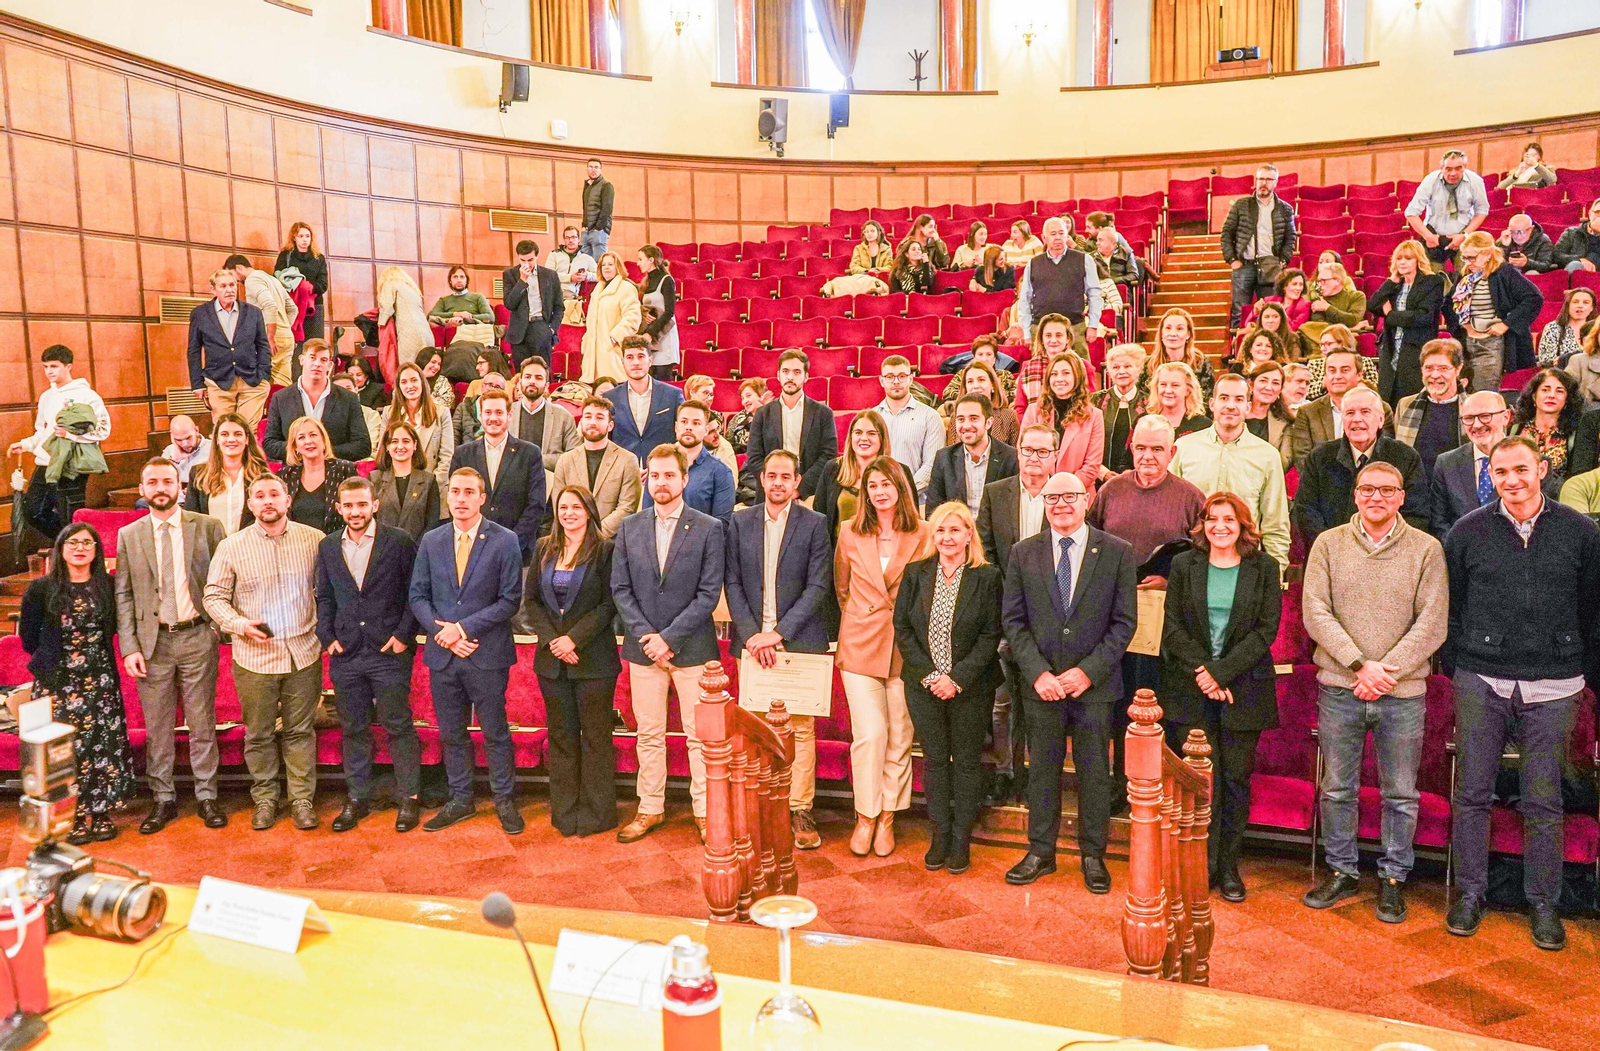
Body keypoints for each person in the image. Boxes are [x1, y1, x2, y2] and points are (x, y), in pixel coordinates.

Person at [1444, 435, 1600, 952]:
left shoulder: (1582, 532)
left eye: (1521, 470)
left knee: (1543, 798)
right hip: (1482, 678)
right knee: (1472, 792)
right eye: (1501, 471)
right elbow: (1454, 607)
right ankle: (1468, 893)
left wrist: (1581, 667)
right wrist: (1463, 664)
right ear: (1490, 475)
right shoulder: (1467, 532)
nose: (1511, 480)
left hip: (1556, 683)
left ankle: (1544, 903)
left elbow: (1592, 610)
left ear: (1543, 469)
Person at [1300, 460, 1448, 920]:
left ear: (1402, 496)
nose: (1377, 497)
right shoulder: (1328, 544)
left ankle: (1392, 878)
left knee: (1400, 793)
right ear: (1356, 495)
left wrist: (1387, 672)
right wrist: (1360, 665)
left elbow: (1433, 622)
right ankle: (1342, 871)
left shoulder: (1427, 549)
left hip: (1402, 695)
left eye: (1387, 490)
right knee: (1337, 789)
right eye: (1368, 489)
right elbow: (1315, 612)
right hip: (1341, 687)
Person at [1001, 470, 1137, 890]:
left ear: (1086, 499)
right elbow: (1013, 622)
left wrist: (1087, 672)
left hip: (1094, 687)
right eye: (1052, 497)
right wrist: (1038, 673)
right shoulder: (1023, 553)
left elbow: (1124, 623)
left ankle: (1093, 855)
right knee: (1042, 769)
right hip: (1040, 685)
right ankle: (1041, 851)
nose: (1060, 503)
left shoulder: (1116, 552)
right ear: (1043, 502)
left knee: (1095, 772)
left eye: (1069, 496)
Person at [1159, 492, 1281, 902]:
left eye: (1229, 519)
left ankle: (1228, 867)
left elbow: (1266, 631)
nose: (1220, 527)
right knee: (1197, 782)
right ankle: (1198, 865)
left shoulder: (1263, 567)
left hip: (1243, 690)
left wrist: (1221, 673)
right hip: (1191, 689)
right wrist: (1205, 673)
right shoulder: (1183, 565)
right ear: (1203, 525)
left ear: (1242, 525)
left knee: (1234, 780)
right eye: (1212, 519)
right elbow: (1172, 628)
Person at [612, 445, 726, 843]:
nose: (661, 483)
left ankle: (706, 813)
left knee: (699, 736)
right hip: (644, 649)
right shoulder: (630, 527)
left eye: (669, 476)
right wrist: (650, 638)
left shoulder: (710, 528)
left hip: (691, 648)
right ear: (647, 478)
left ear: (684, 479)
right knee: (649, 732)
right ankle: (650, 807)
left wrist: (669, 639)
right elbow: (621, 590)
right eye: (655, 476)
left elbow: (708, 594)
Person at [725, 450, 834, 849]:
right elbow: (732, 582)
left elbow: (818, 586)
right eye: (771, 476)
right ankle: (759, 805)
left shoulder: (815, 524)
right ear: (762, 478)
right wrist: (754, 634)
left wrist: (779, 633)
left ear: (797, 482)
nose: (777, 483)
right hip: (752, 643)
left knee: (801, 730)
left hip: (798, 642)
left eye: (785, 477)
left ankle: (799, 808)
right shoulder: (740, 522)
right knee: (754, 729)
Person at [409, 467, 527, 834]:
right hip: (444, 654)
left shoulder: (505, 540)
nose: (461, 498)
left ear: (482, 498)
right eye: (455, 491)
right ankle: (460, 799)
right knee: (451, 732)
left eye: (469, 492)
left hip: (486, 652)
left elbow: (510, 599)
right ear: (448, 497)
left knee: (495, 731)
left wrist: (462, 629)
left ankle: (504, 799)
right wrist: (442, 633)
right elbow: (417, 595)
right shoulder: (431, 540)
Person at [115, 457, 229, 835]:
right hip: (153, 643)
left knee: (202, 723)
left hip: (198, 635)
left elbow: (223, 581)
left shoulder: (208, 527)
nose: (160, 488)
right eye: (153, 482)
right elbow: (125, 594)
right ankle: (163, 799)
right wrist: (130, 646)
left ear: (180, 488)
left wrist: (214, 627)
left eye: (168, 481)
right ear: (142, 490)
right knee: (158, 728)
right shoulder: (129, 535)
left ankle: (207, 795)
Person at [203, 474, 323, 832]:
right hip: (255, 657)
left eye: (274, 494)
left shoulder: (313, 540)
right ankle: (266, 799)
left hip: (303, 652)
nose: (268, 500)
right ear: (250, 504)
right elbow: (213, 596)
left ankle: (302, 799)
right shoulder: (232, 546)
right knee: (258, 733)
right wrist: (239, 625)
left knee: (301, 731)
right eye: (260, 496)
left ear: (288, 500)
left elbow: (329, 591)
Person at [893, 501, 1002, 874]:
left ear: (970, 534)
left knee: (967, 761)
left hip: (970, 687)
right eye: (940, 530)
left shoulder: (987, 577)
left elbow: (991, 635)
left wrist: (955, 679)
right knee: (936, 761)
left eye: (955, 530)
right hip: (923, 685)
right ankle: (939, 834)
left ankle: (961, 838)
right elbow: (903, 629)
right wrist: (930, 676)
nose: (947, 537)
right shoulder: (916, 573)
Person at [835, 458, 933, 858]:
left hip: (906, 648)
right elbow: (842, 589)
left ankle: (889, 817)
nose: (878, 491)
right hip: (860, 642)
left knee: (899, 737)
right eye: (871, 485)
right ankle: (865, 815)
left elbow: (928, 592)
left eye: (886, 484)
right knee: (870, 734)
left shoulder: (924, 533)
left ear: (901, 488)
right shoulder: (848, 532)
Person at [315, 477, 422, 833]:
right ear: (339, 508)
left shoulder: (401, 541)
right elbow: (325, 596)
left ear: (374, 505)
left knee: (397, 724)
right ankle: (357, 797)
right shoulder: (329, 546)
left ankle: (409, 798)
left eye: (362, 504)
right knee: (353, 728)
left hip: (389, 650)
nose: (355, 511)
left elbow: (415, 593)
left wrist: (404, 635)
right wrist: (327, 636)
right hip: (346, 652)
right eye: (348, 505)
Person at [20, 524, 134, 845]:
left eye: (87, 542)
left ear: (97, 551)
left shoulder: (108, 587)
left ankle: (100, 814)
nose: (80, 548)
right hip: (58, 682)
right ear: (61, 549)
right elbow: (28, 638)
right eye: (73, 543)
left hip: (99, 681)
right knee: (65, 752)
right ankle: (70, 816)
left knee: (102, 745)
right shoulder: (41, 589)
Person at [523, 485, 620, 837]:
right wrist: (554, 641)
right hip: (552, 663)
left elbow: (610, 604)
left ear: (589, 512)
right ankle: (564, 812)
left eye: (576, 507)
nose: (569, 513)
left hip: (593, 660)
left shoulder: (605, 551)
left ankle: (597, 815)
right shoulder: (544, 549)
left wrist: (574, 638)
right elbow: (531, 601)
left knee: (596, 739)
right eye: (563, 507)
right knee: (562, 738)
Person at [975, 424, 1057, 806]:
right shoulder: (996, 493)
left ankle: (1037, 778)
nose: (1034, 459)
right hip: (1005, 613)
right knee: (1002, 703)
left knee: (1040, 706)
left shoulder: (1066, 495)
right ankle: (1007, 773)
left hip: (1052, 620)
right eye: (1027, 450)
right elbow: (985, 553)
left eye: (1042, 452)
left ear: (1055, 455)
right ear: (1018, 452)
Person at [1170, 373, 1292, 568]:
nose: (1230, 405)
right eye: (1224, 398)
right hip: (1192, 559)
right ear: (1212, 404)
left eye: (1239, 399)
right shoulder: (1184, 448)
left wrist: (1277, 572)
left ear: (1248, 406)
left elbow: (1275, 522)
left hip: (1246, 560)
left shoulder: (1267, 455)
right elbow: (1171, 513)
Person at [1295, 387, 1429, 549]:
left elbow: (1416, 514)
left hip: (1391, 553)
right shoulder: (1320, 457)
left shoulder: (1405, 457)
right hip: (1332, 553)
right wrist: (1332, 547)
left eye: (1365, 412)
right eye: (1349, 413)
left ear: (1380, 420)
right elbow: (1306, 509)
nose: (1356, 419)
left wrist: (1382, 547)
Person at [7, 344, 110, 538]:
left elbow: (103, 430)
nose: (48, 372)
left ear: (68, 366)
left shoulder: (87, 395)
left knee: (70, 516)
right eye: (45, 367)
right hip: (46, 462)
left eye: (54, 366)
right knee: (32, 511)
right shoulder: (47, 396)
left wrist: (71, 436)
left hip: (72, 464)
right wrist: (26, 444)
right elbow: (42, 431)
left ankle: (75, 547)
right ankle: (68, 545)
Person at [450, 388, 547, 562]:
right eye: (487, 412)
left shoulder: (530, 453)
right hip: (473, 550)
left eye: (499, 412)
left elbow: (536, 505)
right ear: (480, 416)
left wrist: (512, 542)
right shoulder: (462, 454)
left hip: (518, 551)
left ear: (509, 416)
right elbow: (456, 500)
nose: (493, 418)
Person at [738, 349, 837, 504]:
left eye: (797, 372)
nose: (790, 377)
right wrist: (775, 488)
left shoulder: (823, 413)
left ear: (806, 377)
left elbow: (828, 456)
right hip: (768, 496)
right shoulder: (762, 414)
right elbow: (754, 457)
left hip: (809, 497)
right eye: (786, 371)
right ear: (778, 375)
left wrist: (799, 489)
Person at [804, 410, 918, 539]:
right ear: (851, 437)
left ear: (882, 438)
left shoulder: (901, 471)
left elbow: (912, 520)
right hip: (839, 554)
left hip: (888, 554)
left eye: (871, 433)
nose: (864, 438)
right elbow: (820, 519)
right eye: (858, 433)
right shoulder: (832, 469)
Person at [262, 338, 372, 463]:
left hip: (337, 472)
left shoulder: (348, 399)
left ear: (329, 366)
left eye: (323, 360)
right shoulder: (280, 398)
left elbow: (363, 446)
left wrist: (324, 451)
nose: (317, 364)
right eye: (312, 357)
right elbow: (270, 444)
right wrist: (299, 449)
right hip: (294, 472)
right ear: (301, 360)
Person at [188, 268, 271, 427]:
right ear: (213, 290)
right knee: (225, 430)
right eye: (223, 286)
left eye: (232, 285)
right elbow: (194, 350)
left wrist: (264, 374)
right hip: (218, 381)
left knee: (248, 430)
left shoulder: (253, 312)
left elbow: (262, 345)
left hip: (252, 380)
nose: (229, 290)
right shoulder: (200, 314)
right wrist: (197, 384)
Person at [1368, 241, 1448, 403]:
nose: (1402, 262)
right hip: (1391, 348)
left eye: (1408, 258)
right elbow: (1373, 305)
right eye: (1399, 259)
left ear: (1418, 260)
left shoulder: (1432, 282)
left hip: (1415, 349)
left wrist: (1390, 315)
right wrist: (1391, 281)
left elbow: (1422, 317)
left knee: (1410, 400)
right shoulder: (1395, 285)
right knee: (1387, 400)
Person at [551, 396, 642, 539]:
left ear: (610, 425)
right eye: (588, 417)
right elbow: (558, 504)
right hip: (571, 539)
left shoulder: (627, 460)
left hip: (610, 543)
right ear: (581, 422)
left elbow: (627, 507)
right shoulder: (565, 460)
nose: (593, 422)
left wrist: (594, 535)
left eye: (600, 417)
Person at [1221, 164, 1297, 327]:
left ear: (1276, 182)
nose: (1264, 183)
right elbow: (1227, 233)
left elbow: (1290, 238)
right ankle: (1238, 350)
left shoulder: (1285, 209)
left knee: (1269, 311)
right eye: (1261, 179)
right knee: (1239, 313)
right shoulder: (1241, 205)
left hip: (1271, 266)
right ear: (1256, 181)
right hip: (1244, 266)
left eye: (1269, 179)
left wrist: (1283, 261)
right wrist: (1233, 260)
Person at [1429, 389, 1511, 539]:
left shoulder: (1530, 461)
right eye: (1469, 418)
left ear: (1506, 417)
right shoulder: (1446, 463)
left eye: (1485, 416)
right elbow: (1439, 522)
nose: (1477, 425)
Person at [1014, 217, 1104, 347]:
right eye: (1053, 234)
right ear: (1044, 238)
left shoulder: (1084, 260)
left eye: (1061, 233)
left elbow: (1094, 294)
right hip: (1040, 330)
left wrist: (1093, 325)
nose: (1058, 238)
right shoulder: (1033, 264)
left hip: (1074, 327)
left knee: (1080, 366)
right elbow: (1025, 299)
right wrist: (1027, 332)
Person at [1021, 351, 1103, 491]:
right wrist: (1044, 487)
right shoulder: (1033, 411)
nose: (1059, 378)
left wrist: (1062, 489)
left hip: (1077, 494)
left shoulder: (1094, 416)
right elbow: (1023, 453)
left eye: (1066, 373)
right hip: (1037, 491)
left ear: (1077, 377)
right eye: (1054, 374)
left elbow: (1092, 466)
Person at [927, 394, 1019, 517]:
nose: (966, 426)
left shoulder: (1011, 457)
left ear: (988, 422)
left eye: (974, 418)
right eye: (960, 419)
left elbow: (1015, 511)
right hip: (957, 532)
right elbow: (934, 511)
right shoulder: (944, 458)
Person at [872, 355, 945, 500]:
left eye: (902, 376)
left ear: (911, 379)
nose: (896, 381)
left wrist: (904, 489)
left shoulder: (930, 416)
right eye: (890, 377)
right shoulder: (871, 418)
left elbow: (932, 463)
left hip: (916, 501)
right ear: (882, 381)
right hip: (877, 499)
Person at [183, 413, 270, 534]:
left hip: (250, 548)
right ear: (217, 440)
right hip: (212, 550)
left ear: (246, 439)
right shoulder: (198, 473)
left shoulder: (261, 474)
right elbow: (191, 520)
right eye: (224, 434)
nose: (231, 439)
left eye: (238, 434)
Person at [1393, 339, 1467, 482]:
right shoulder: (1405, 405)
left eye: (1443, 368)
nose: (1434, 375)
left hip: (1458, 489)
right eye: (1429, 368)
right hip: (1416, 490)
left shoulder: (1472, 407)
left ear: (1458, 369)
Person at [1287, 346, 1372, 471]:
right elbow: (1303, 459)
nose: (1337, 376)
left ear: (1359, 375)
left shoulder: (1379, 408)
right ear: (1325, 376)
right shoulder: (1307, 412)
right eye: (1332, 371)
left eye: (1345, 370)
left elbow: (1382, 453)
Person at [1405, 149, 1492, 264]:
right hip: (1434, 237)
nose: (1453, 173)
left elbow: (1482, 210)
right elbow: (1411, 213)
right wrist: (1428, 236)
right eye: (1448, 169)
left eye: (1458, 168)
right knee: (1433, 279)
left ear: (1465, 167)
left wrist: (1464, 235)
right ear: (1441, 168)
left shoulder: (1475, 181)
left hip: (1462, 237)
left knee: (1467, 275)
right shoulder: (1431, 180)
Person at [388, 361, 454, 503]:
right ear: (399, 387)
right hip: (398, 490)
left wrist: (431, 486)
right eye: (404, 382)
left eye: (414, 380)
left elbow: (447, 456)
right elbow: (384, 452)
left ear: (422, 383)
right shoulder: (389, 413)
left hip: (433, 489)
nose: (409, 386)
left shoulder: (442, 413)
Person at [279, 417, 360, 534]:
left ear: (323, 439)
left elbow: (355, 510)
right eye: (301, 437)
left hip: (334, 544)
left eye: (313, 435)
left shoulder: (345, 470)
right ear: (295, 446)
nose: (308, 441)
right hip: (296, 546)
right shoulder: (285, 476)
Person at [605, 340, 681, 463]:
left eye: (641, 356)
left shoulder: (672, 395)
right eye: (630, 357)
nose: (636, 362)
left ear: (650, 361)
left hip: (663, 467)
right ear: (623, 362)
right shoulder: (610, 398)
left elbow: (683, 432)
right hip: (621, 468)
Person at [227, 254, 296, 386]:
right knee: (283, 385)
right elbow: (293, 309)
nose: (233, 281)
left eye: (231, 274)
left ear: (239, 268)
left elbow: (269, 305)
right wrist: (284, 328)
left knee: (262, 385)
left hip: (271, 339)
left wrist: (271, 336)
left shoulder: (252, 280)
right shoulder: (272, 279)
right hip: (286, 337)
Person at [371, 420, 440, 539]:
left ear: (415, 445)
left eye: (406, 441)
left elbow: (432, 523)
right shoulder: (374, 479)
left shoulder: (429, 480)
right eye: (394, 441)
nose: (400, 446)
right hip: (383, 551)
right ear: (387, 446)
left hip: (418, 552)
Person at [1509, 367, 1580, 482]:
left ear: (1567, 399)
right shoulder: (1514, 430)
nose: (1551, 395)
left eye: (1559, 391)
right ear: (1534, 395)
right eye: (1545, 390)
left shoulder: (1575, 434)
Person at [511, 356, 579, 475]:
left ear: (546, 385)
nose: (532, 381)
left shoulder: (563, 417)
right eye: (528, 377)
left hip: (549, 482)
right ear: (520, 382)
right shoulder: (506, 412)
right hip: (511, 480)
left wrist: (535, 460)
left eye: (538, 378)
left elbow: (574, 457)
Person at [499, 243, 563, 370]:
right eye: (523, 260)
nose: (527, 264)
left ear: (537, 257)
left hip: (541, 327)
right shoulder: (509, 274)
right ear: (518, 257)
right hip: (519, 332)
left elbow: (559, 306)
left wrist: (551, 329)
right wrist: (522, 281)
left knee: (543, 373)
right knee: (521, 375)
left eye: (530, 260)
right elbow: (509, 304)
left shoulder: (550, 275)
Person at [580, 252, 640, 385]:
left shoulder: (626, 288)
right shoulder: (597, 290)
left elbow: (632, 317)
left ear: (617, 267)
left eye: (610, 264)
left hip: (613, 351)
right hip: (594, 353)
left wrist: (615, 337)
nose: (606, 267)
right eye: (603, 265)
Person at [672, 400, 734, 522]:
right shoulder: (658, 465)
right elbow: (647, 519)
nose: (688, 427)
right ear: (676, 427)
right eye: (684, 422)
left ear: (706, 430)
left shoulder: (721, 472)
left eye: (696, 423)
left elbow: (721, 525)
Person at [1146, 308, 1217, 405]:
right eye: (1168, 328)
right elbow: (1145, 402)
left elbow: (1206, 402)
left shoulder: (1202, 364)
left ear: (1188, 334)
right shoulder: (1148, 365)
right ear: (1161, 333)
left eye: (1179, 329)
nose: (1172, 334)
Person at [274, 221, 328, 344]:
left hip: (313, 305)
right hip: (291, 303)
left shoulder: (318, 258)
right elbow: (277, 278)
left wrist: (308, 288)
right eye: (301, 236)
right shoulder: (286, 255)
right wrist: (297, 287)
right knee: (293, 342)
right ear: (294, 237)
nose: (304, 240)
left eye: (307, 236)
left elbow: (323, 283)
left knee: (314, 342)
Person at [1298, 262, 1368, 355]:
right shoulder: (1317, 300)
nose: (1319, 285)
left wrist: (1327, 308)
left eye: (1323, 281)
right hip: (1315, 346)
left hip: (1340, 348)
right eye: (1318, 281)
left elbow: (1353, 319)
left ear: (1337, 281)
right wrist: (1350, 329)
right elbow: (1316, 327)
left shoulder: (1356, 296)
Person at [944, 360, 1019, 446]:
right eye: (970, 381)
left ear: (993, 385)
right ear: (965, 387)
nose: (975, 386)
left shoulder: (1009, 416)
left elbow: (1015, 455)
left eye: (981, 380)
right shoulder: (956, 417)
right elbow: (952, 454)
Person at [375, 266, 432, 377]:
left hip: (409, 335)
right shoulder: (413, 290)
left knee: (407, 372)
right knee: (424, 374)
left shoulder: (389, 284)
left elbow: (387, 309)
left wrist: (379, 327)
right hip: (427, 334)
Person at [635, 245, 679, 378]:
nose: (638, 263)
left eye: (640, 259)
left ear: (651, 260)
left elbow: (669, 312)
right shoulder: (646, 282)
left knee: (662, 380)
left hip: (663, 339)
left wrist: (650, 333)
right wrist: (645, 316)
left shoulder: (667, 280)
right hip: (651, 341)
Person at [1243, 361, 1295, 465]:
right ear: (1251, 385)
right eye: (1263, 381)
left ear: (1280, 390)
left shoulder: (1286, 423)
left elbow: (1284, 462)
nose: (1268, 387)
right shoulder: (1233, 415)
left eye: (1275, 383)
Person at [1148, 361, 1212, 440]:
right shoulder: (1143, 421)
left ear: (1188, 390)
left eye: (1175, 385)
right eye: (1163, 384)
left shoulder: (1203, 425)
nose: (1168, 390)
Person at [1539, 288, 1597, 368]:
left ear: (1592, 308)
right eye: (1575, 302)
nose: (1580, 306)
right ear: (1568, 306)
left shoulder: (1597, 328)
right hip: (1562, 374)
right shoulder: (1553, 328)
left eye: (1585, 303)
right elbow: (1546, 361)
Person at [1244, 268, 1311, 332]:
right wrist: (1255, 312)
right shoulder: (1269, 300)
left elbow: (1293, 328)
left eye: (1301, 285)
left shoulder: (1304, 305)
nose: (1298, 288)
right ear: (1284, 286)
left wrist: (1281, 312)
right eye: (1294, 284)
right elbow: (1248, 325)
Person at [428, 264, 494, 328]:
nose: (459, 280)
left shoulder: (478, 297)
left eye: (462, 277)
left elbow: (490, 317)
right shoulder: (444, 300)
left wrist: (465, 319)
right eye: (455, 277)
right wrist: (455, 314)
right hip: (451, 334)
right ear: (450, 281)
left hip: (473, 334)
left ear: (466, 280)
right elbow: (430, 316)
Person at [160, 414, 211, 497]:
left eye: (188, 438)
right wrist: (175, 459)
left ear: (196, 430)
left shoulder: (212, 449)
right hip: (174, 500)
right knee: (142, 503)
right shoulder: (169, 452)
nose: (184, 444)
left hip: (200, 499)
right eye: (178, 440)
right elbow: (160, 480)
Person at [1553, 197, 1600, 273]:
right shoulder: (1571, 232)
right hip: (1577, 270)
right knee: (1575, 264)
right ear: (1590, 214)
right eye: (1598, 212)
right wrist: (1580, 259)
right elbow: (1557, 255)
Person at [724, 378, 771, 454]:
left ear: (761, 395)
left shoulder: (772, 415)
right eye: (743, 398)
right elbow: (727, 445)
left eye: (748, 396)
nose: (744, 401)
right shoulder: (738, 418)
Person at [550, 225, 596, 299]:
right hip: (553, 294)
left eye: (573, 237)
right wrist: (570, 278)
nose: (571, 240)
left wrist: (587, 275)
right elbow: (549, 276)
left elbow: (599, 275)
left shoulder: (586, 258)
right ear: (564, 240)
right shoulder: (554, 255)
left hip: (571, 295)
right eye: (567, 238)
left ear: (579, 240)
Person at [580, 158, 613, 260]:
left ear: (601, 170)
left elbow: (607, 209)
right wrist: (584, 225)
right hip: (587, 230)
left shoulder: (606, 185)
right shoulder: (587, 186)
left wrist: (598, 227)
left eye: (596, 167)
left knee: (599, 264)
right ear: (587, 169)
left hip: (599, 230)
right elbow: (585, 208)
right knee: (585, 263)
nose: (593, 170)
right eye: (590, 167)